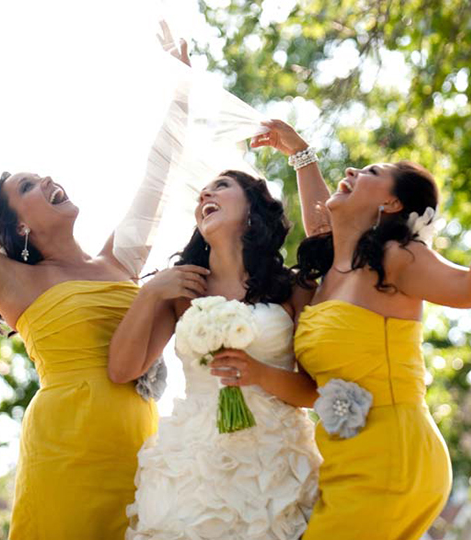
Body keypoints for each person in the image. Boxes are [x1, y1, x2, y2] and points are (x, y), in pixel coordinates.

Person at [0, 25, 191, 540]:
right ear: (20, 225)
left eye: (42, 175)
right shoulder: (11, 282)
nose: (46, 180)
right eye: (28, 186)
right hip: (66, 453)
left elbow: (159, 174)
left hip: (141, 454)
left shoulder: (118, 262)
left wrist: (181, 91)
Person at [251, 120, 471, 539]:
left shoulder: (396, 259)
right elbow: (323, 227)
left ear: (390, 203)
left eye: (369, 172)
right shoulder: (335, 271)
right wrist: (300, 152)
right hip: (347, 460)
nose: (351, 172)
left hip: (394, 455)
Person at [110, 170, 322, 540]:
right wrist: (149, 294)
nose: (205, 192)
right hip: (193, 463)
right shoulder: (179, 288)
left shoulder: (295, 286)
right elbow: (122, 369)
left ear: (253, 210)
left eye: (221, 186)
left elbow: (314, 390)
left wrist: (259, 374)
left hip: (274, 461)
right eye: (203, 192)